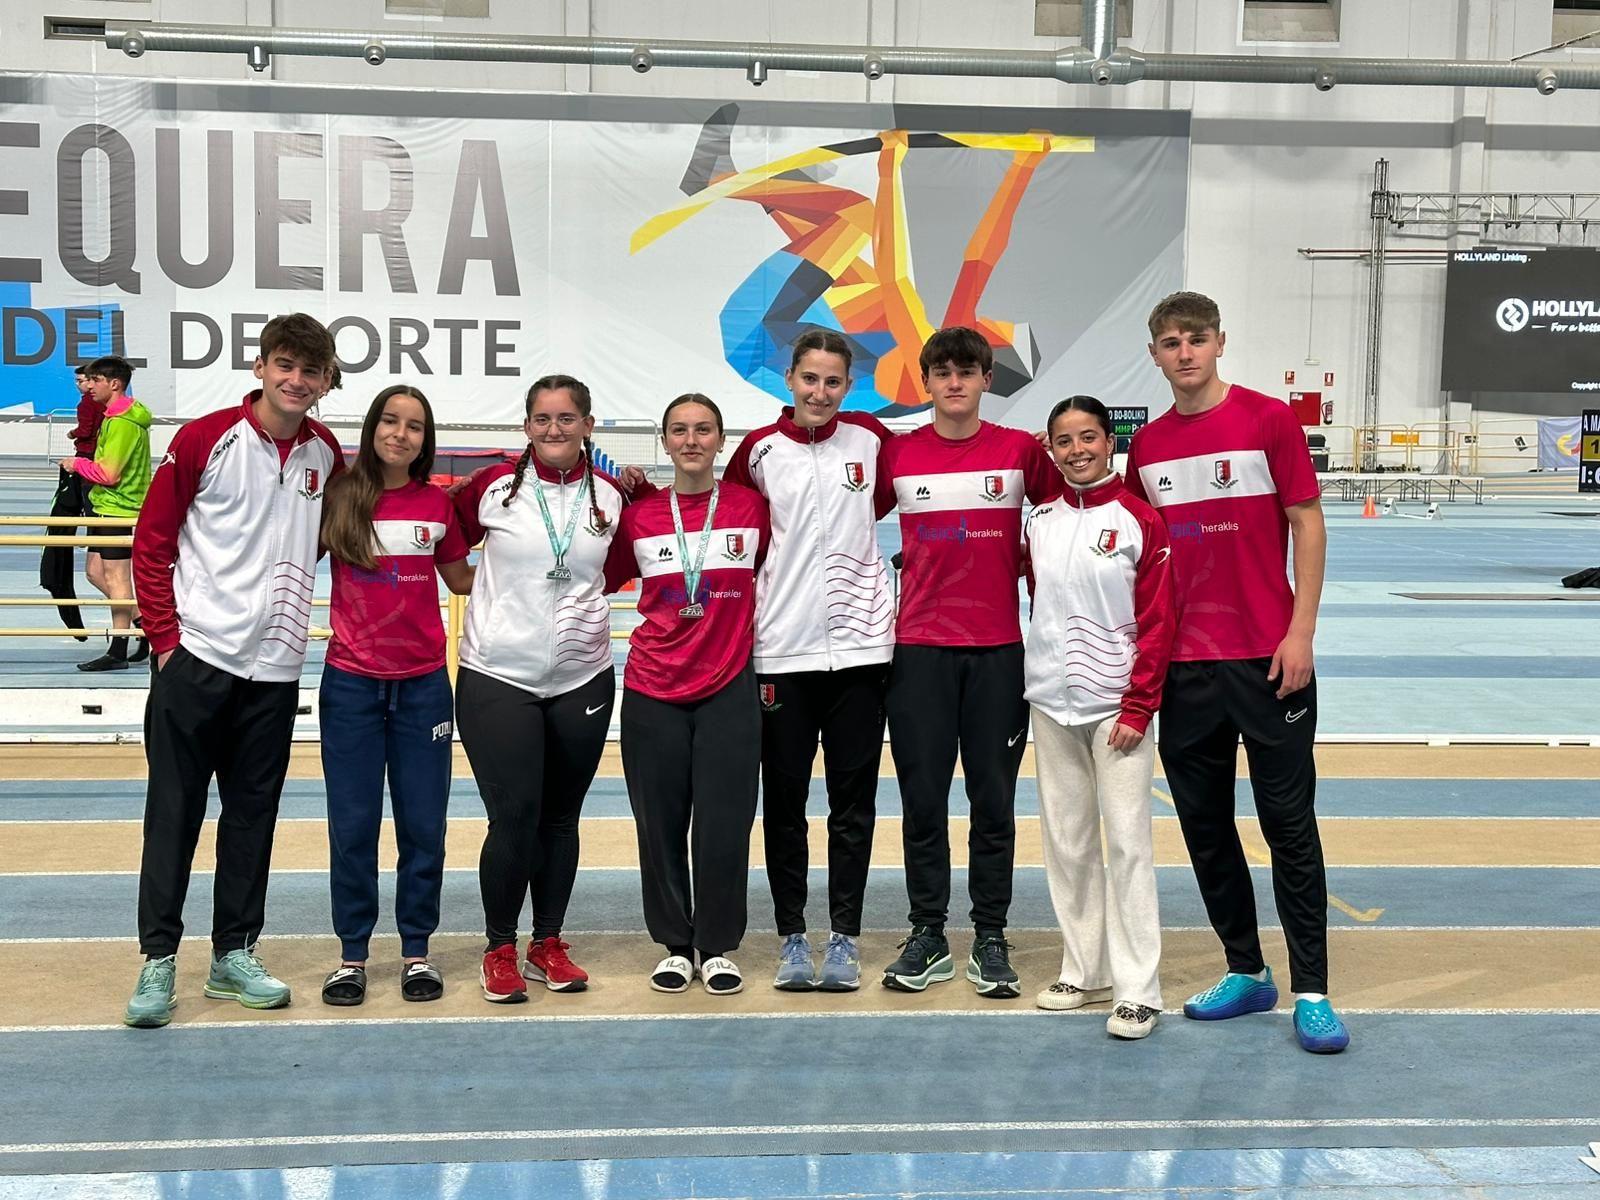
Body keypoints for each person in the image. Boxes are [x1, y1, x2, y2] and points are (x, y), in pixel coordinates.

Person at [1124, 290, 1348, 1054]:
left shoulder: (1266, 420)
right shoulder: (1147, 449)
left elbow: (1307, 524)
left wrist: (1301, 631)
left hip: (1268, 660)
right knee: (1206, 829)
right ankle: (1247, 970)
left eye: (1195, 339)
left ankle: (1312, 989)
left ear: (1220, 343)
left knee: (1289, 827)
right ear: (1154, 354)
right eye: (1169, 343)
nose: (1183, 353)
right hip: (1187, 671)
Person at [123, 313, 343, 1029]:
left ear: (324, 380)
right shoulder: (205, 438)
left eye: (310, 371)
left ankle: (233, 954)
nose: (296, 380)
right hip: (197, 661)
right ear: (260, 366)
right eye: (285, 364)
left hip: (274, 671)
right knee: (175, 816)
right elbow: (151, 543)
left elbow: (314, 544)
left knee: (253, 818)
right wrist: (165, 642)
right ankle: (158, 959)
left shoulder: (326, 456)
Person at [876, 326, 1061, 998]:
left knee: (993, 803)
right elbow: (834, 518)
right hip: (919, 652)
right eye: (943, 373)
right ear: (927, 383)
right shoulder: (898, 456)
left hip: (998, 657)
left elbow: (1061, 525)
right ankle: (927, 932)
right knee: (921, 803)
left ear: (987, 379)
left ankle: (990, 934)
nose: (955, 383)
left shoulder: (1019, 453)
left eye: (968, 371)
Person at [723, 331, 895, 992]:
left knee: (853, 803)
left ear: (847, 387)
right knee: (786, 802)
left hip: (861, 653)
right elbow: (733, 522)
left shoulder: (872, 442)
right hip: (782, 652)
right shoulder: (759, 452)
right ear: (789, 380)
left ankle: (845, 937)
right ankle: (793, 936)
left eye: (833, 382)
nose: (820, 393)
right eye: (809, 379)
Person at [452, 375, 630, 1003]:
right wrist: (465, 584)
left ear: (588, 423)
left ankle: (546, 942)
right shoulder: (491, 489)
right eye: (541, 418)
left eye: (566, 418)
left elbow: (634, 562)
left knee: (560, 818)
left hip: (583, 676)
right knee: (514, 816)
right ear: (526, 425)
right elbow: (442, 536)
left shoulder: (611, 497)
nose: (554, 429)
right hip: (498, 676)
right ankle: (499, 945)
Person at [605, 394, 770, 997]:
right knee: (661, 824)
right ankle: (676, 945)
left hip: (729, 684)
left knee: (725, 825)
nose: (692, 439)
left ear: (721, 440)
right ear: (666, 442)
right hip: (653, 686)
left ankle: (718, 945)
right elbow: (599, 575)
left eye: (704, 429)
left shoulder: (754, 510)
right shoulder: (641, 516)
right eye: (680, 430)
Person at [317, 384, 474, 1006]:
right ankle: (352, 954)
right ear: (373, 427)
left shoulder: (438, 507)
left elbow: (462, 577)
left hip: (424, 689)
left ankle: (416, 951)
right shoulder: (339, 497)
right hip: (351, 684)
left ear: (425, 438)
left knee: (423, 825)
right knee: (352, 825)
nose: (400, 434)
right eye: (390, 421)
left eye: (413, 426)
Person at [1024, 395, 1174, 1040]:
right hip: (1050, 705)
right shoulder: (1038, 521)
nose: (1077, 449)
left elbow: (1161, 620)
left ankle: (1140, 987)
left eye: (1088, 437)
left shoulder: (1141, 520)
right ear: (1051, 450)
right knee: (1068, 842)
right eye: (1064, 440)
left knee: (1128, 844)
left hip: (1119, 710)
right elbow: (1038, 604)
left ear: (1109, 444)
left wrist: (1140, 704)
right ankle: (1085, 969)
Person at [60, 356, 152, 671]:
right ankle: (145, 624)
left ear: (114, 384)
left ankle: (119, 649)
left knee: (116, 576)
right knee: (96, 573)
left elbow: (110, 473)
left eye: (95, 380)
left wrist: (77, 464)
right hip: (104, 506)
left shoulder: (124, 421)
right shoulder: (113, 417)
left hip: (118, 507)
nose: (89, 386)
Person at [39, 366, 101, 639]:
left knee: (100, 572)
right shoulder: (117, 411)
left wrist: (75, 434)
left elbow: (87, 430)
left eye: (84, 380)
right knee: (104, 569)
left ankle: (140, 622)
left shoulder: (89, 404)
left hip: (86, 472)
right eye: (78, 380)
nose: (80, 385)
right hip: (91, 472)